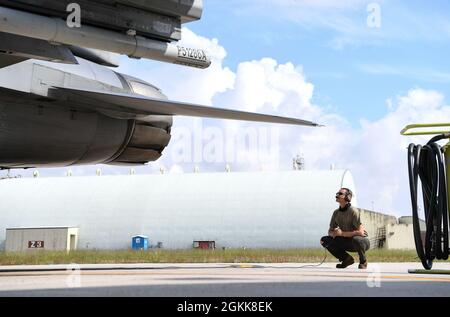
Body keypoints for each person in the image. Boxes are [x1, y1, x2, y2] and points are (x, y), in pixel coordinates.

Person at [320, 188, 370, 269]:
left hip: (361, 241)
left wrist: (342, 233)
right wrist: (333, 233)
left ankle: (363, 261)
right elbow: (330, 230)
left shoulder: (353, 211)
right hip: (346, 241)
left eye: (340, 194)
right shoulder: (336, 213)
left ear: (347, 197)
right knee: (324, 240)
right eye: (337, 193)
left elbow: (361, 232)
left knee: (357, 239)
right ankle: (346, 259)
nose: (337, 195)